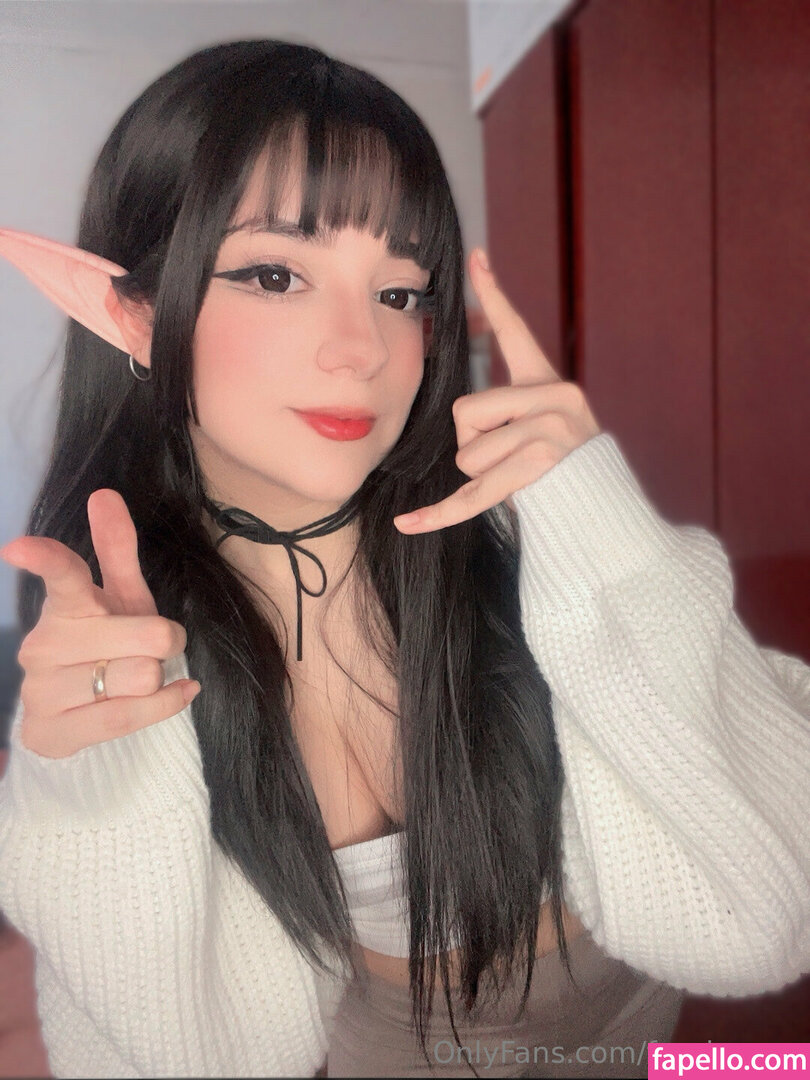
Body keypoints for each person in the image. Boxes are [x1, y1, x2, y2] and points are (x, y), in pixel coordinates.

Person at [0, 38, 808, 1080]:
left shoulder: (518, 530)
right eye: (277, 274)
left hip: (643, 1010)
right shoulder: (121, 639)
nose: (362, 350)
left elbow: (762, 919)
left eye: (400, 293)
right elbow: (202, 1057)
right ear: (133, 312)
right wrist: (92, 798)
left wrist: (612, 546)